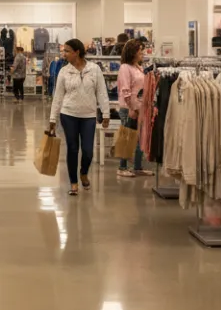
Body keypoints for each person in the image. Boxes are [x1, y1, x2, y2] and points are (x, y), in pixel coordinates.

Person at [48, 38, 111, 196]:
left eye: (67, 51)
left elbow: (102, 92)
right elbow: (58, 96)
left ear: (77, 52)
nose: (64, 54)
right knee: (73, 148)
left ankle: (83, 172)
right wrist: (52, 119)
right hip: (68, 114)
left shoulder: (94, 69)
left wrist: (106, 113)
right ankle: (74, 183)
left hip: (88, 115)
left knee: (88, 151)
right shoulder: (64, 71)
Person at [116, 38, 152, 178]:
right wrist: (132, 108)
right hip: (129, 108)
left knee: (139, 138)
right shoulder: (125, 68)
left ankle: (137, 166)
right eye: (140, 51)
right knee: (127, 138)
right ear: (133, 52)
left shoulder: (139, 67)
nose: (142, 53)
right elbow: (125, 90)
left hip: (139, 108)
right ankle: (122, 167)